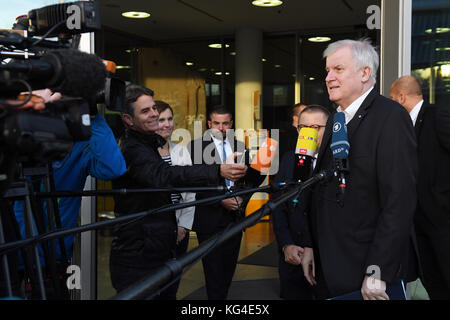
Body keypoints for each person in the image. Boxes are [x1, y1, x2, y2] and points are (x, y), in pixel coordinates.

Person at [109, 85, 247, 297]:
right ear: (128, 119)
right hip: (139, 249)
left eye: (154, 108)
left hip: (162, 241)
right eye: (146, 111)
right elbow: (164, 176)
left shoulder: (152, 143)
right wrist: (218, 170)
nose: (155, 114)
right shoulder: (133, 148)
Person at [309, 39, 418, 300]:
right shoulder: (337, 118)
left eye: (338, 69)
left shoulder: (390, 116)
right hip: (330, 267)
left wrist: (377, 270)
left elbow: (399, 201)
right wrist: (309, 246)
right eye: (327, 70)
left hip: (366, 274)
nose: (329, 77)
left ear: (365, 73)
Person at [12, 89, 127, 299]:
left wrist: (93, 116)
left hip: (53, 254)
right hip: (10, 245)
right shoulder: (18, 135)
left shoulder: (81, 143)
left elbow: (114, 169)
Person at [188, 105, 265, 300]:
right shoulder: (196, 147)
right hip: (209, 217)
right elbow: (193, 183)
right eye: (216, 123)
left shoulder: (239, 146)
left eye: (225, 123)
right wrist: (221, 200)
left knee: (229, 267)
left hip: (234, 218)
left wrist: (243, 198)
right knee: (213, 271)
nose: (221, 128)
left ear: (231, 124)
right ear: (209, 124)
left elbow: (253, 180)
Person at [390, 75, 450, 299]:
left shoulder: (437, 115)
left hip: (443, 220)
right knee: (433, 280)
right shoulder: (408, 126)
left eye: (392, 99)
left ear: (401, 98)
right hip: (420, 223)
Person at [272, 105, 330, 300]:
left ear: (328, 128)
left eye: (316, 127)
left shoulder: (336, 163)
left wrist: (313, 247)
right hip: (293, 258)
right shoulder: (289, 159)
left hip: (325, 260)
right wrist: (286, 244)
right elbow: (279, 206)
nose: (309, 133)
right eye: (303, 127)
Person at [154, 100, 195, 297]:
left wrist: (183, 226)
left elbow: (190, 193)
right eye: (161, 120)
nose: (167, 124)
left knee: (171, 287)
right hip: (153, 231)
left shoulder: (181, 150)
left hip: (178, 230)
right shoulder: (144, 154)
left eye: (170, 119)